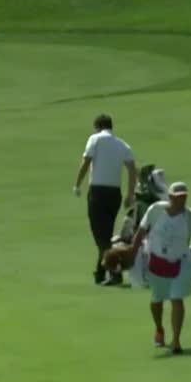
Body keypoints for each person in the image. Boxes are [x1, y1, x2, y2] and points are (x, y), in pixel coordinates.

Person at [130, 181, 191, 354]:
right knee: (156, 300)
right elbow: (141, 231)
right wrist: (132, 253)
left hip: (181, 262)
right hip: (156, 263)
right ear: (170, 197)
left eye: (184, 197)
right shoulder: (156, 210)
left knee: (177, 299)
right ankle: (159, 328)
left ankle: (176, 340)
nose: (182, 200)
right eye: (178, 197)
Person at [73, 114, 138, 286]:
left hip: (98, 192)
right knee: (105, 235)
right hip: (114, 194)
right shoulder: (121, 144)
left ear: (97, 127)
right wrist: (130, 193)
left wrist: (77, 184)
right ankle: (100, 273)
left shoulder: (95, 139)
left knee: (101, 238)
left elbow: (86, 162)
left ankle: (114, 271)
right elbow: (132, 168)